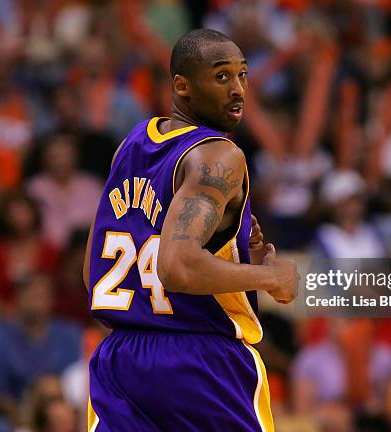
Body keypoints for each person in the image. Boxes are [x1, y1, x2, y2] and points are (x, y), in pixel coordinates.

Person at [84, 28, 298, 431]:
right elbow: (178, 268)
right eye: (221, 76)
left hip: (120, 362)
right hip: (201, 363)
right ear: (182, 85)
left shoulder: (130, 145)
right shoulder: (219, 155)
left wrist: (230, 253)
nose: (238, 90)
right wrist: (271, 277)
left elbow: (91, 272)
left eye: (242, 75)